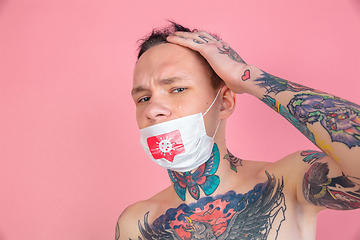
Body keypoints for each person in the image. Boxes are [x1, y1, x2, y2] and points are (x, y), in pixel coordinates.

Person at [116, 22, 360, 240]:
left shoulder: (288, 183)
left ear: (224, 102)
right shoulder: (136, 224)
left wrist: (246, 77)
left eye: (178, 89)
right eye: (143, 98)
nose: (153, 109)